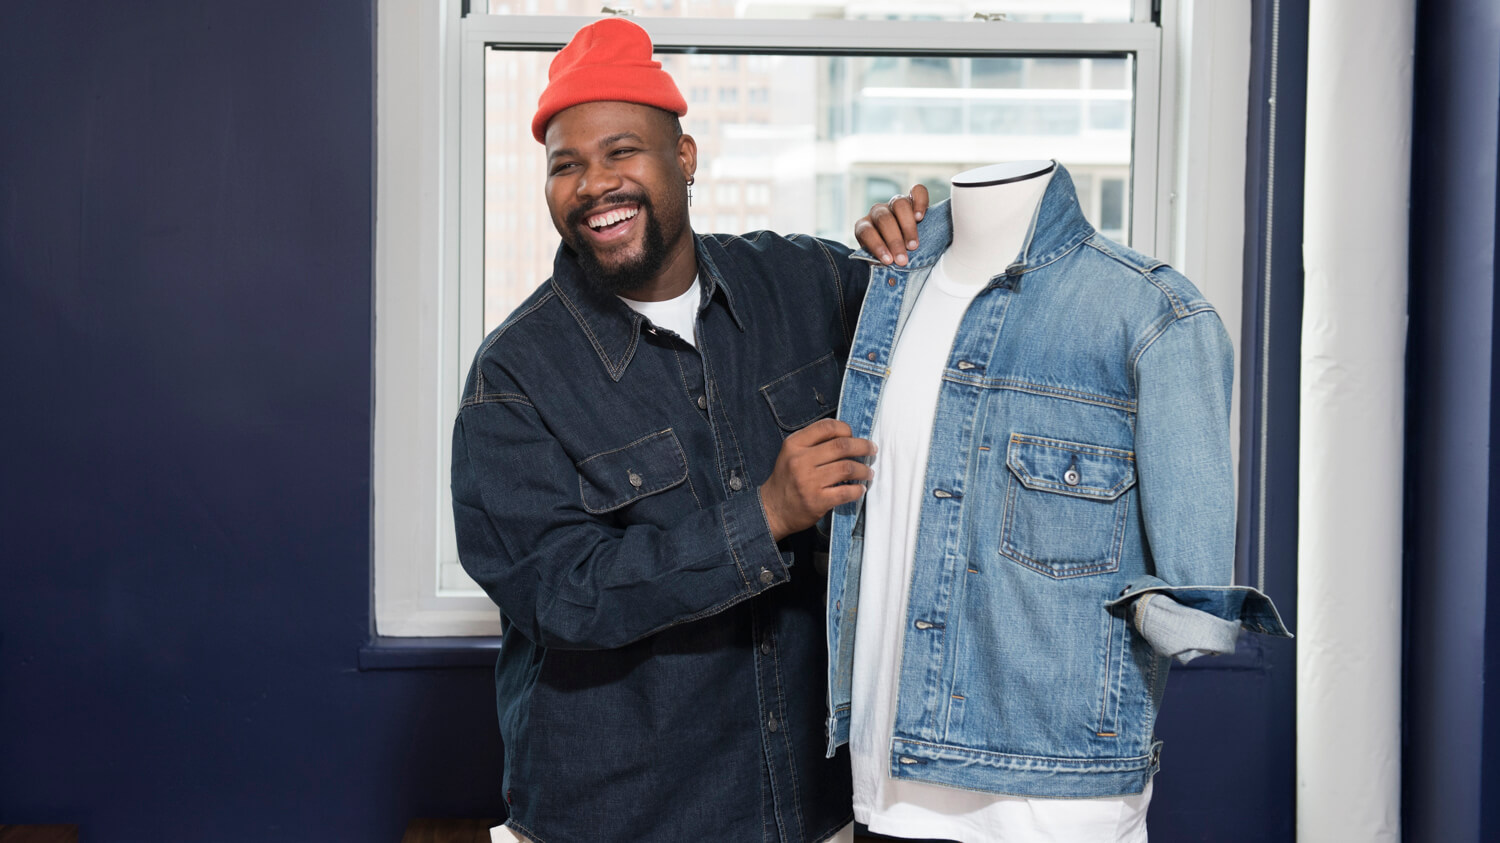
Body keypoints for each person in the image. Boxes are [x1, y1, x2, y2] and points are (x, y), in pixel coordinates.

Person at [450, 17, 922, 843]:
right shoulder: (513, 379)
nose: (593, 182)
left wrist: (923, 237)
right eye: (565, 165)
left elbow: (938, 336)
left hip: (814, 810)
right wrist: (767, 514)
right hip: (615, 821)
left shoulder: (803, 285)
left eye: (621, 151)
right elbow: (565, 594)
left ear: (686, 157)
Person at [824, 161, 1289, 843]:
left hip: (1056, 798)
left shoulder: (1152, 314)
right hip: (887, 779)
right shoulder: (889, 290)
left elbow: (1194, 591)